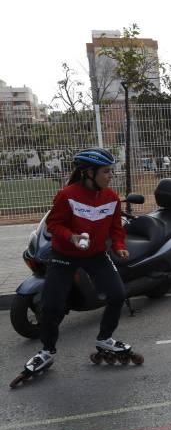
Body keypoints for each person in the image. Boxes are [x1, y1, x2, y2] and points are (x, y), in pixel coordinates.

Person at [19, 148, 132, 377]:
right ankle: (47, 351)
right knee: (51, 305)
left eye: (111, 171)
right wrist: (71, 236)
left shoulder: (110, 198)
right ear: (89, 173)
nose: (111, 175)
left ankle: (105, 339)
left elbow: (116, 229)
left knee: (118, 295)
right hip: (64, 255)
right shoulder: (66, 195)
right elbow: (54, 224)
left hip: (97, 255)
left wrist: (119, 247)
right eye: (106, 171)